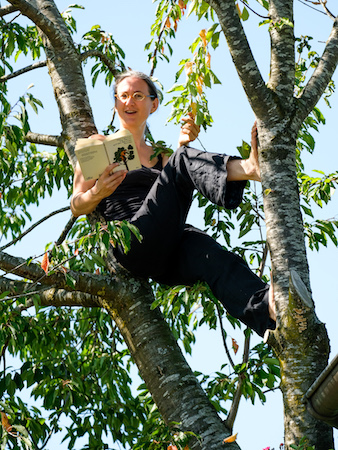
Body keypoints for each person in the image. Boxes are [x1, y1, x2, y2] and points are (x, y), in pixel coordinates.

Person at [71, 70, 276, 337]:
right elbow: (76, 205)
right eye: (122, 96)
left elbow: (177, 183)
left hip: (167, 250)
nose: (129, 102)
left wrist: (183, 146)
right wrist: (98, 192)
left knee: (213, 255)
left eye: (137, 95)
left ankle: (268, 314)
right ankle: (249, 168)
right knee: (181, 159)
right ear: (115, 103)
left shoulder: (162, 155)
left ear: (153, 104)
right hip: (131, 240)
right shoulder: (99, 144)